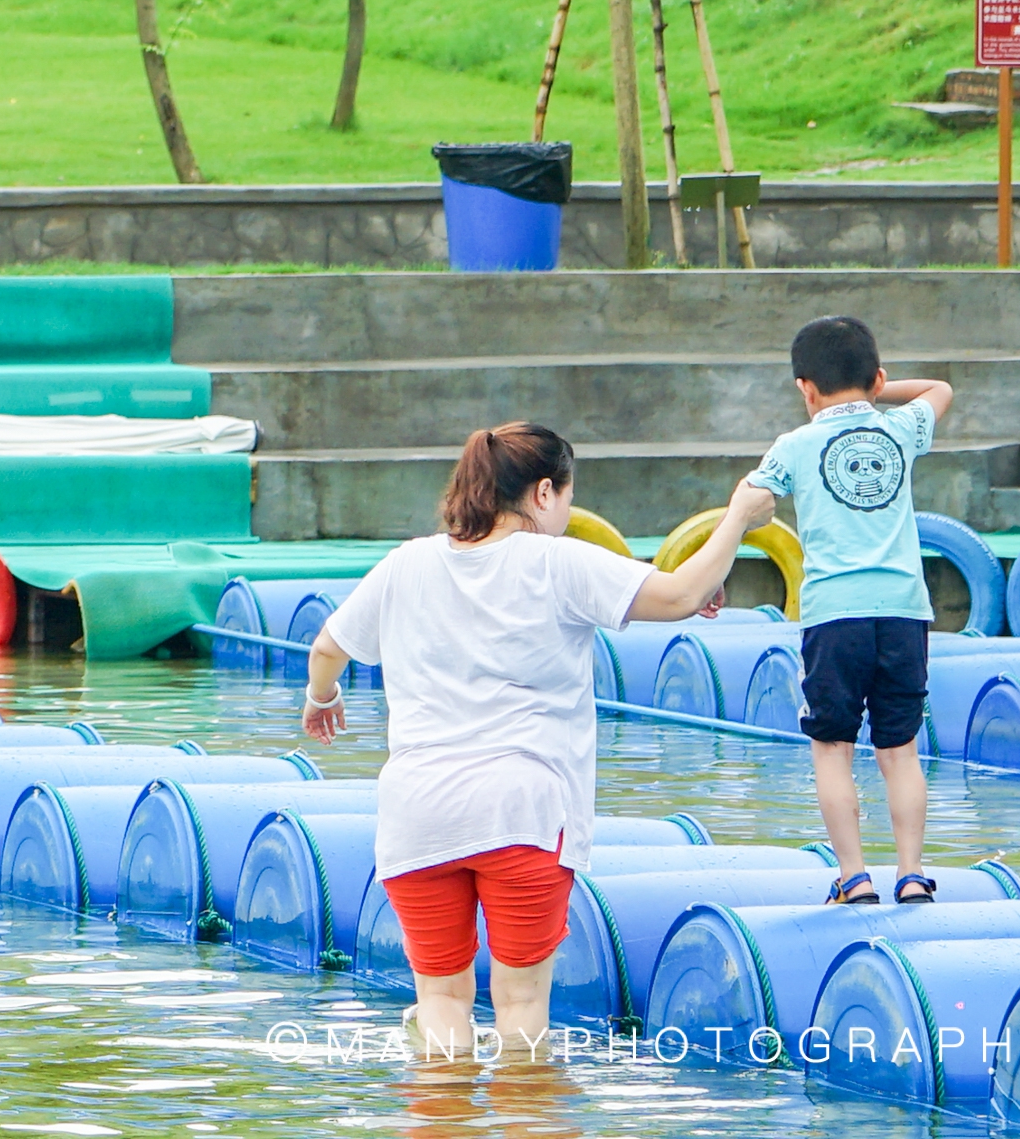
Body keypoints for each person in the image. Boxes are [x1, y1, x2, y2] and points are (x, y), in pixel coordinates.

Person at [301, 421, 774, 1058]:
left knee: (441, 1000)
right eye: (569, 498)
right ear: (544, 492)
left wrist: (321, 698)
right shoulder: (557, 563)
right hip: (521, 810)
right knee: (521, 1005)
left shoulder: (405, 564)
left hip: (417, 813)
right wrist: (740, 517)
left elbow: (327, 648)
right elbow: (683, 594)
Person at [738, 316, 953, 905]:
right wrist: (882, 392)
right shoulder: (901, 428)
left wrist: (730, 538)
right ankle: (912, 875)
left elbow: (752, 498)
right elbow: (941, 390)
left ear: (805, 389)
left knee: (833, 748)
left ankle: (854, 876)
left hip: (834, 616)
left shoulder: (795, 445)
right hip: (906, 611)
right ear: (877, 377)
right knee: (899, 749)